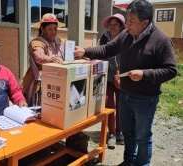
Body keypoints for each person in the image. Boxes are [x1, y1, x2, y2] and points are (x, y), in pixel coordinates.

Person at [74, 1, 177, 165]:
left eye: (131, 21)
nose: (127, 24)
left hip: (145, 98)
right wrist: (85, 51)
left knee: (143, 136)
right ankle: (128, 161)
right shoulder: (126, 35)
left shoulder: (161, 40)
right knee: (128, 133)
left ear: (145, 22)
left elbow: (171, 70)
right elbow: (107, 49)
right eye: (127, 19)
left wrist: (144, 74)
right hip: (126, 94)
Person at [20, 13, 65, 106]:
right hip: (40, 83)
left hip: (58, 80)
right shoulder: (37, 42)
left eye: (55, 29)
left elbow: (70, 51)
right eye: (50, 29)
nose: (53, 32)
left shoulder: (60, 41)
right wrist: (52, 59)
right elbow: (39, 57)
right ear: (42, 29)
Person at [99, 13, 126, 148]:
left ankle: (120, 132)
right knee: (109, 105)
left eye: (115, 24)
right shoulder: (104, 39)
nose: (112, 27)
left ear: (121, 26)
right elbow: (100, 54)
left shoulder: (126, 39)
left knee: (121, 105)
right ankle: (111, 134)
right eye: (110, 24)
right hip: (107, 76)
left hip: (122, 76)